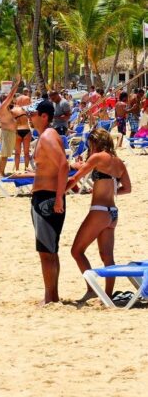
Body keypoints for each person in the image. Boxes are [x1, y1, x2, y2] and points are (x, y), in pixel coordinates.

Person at [68, 128, 131, 304]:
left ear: (95, 142)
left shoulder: (97, 157)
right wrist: (107, 188)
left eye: (90, 144)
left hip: (99, 211)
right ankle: (108, 296)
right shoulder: (118, 162)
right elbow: (127, 188)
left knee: (76, 251)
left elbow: (75, 179)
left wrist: (59, 195)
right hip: (113, 213)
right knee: (107, 257)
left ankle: (92, 290)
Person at [27, 99, 69, 305]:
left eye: (32, 114)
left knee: (46, 252)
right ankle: (52, 296)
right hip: (45, 197)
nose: (29, 117)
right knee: (49, 250)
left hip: (47, 199)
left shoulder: (47, 135)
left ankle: (49, 298)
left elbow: (63, 164)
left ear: (44, 116)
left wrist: (59, 196)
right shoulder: (45, 136)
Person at [0, 80, 21, 177]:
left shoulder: (6, 108)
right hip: (7, 133)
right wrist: (17, 84)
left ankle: (2, 172)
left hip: (9, 133)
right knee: (4, 154)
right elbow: (10, 96)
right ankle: (0, 173)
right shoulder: (2, 107)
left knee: (6, 154)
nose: (9, 99)